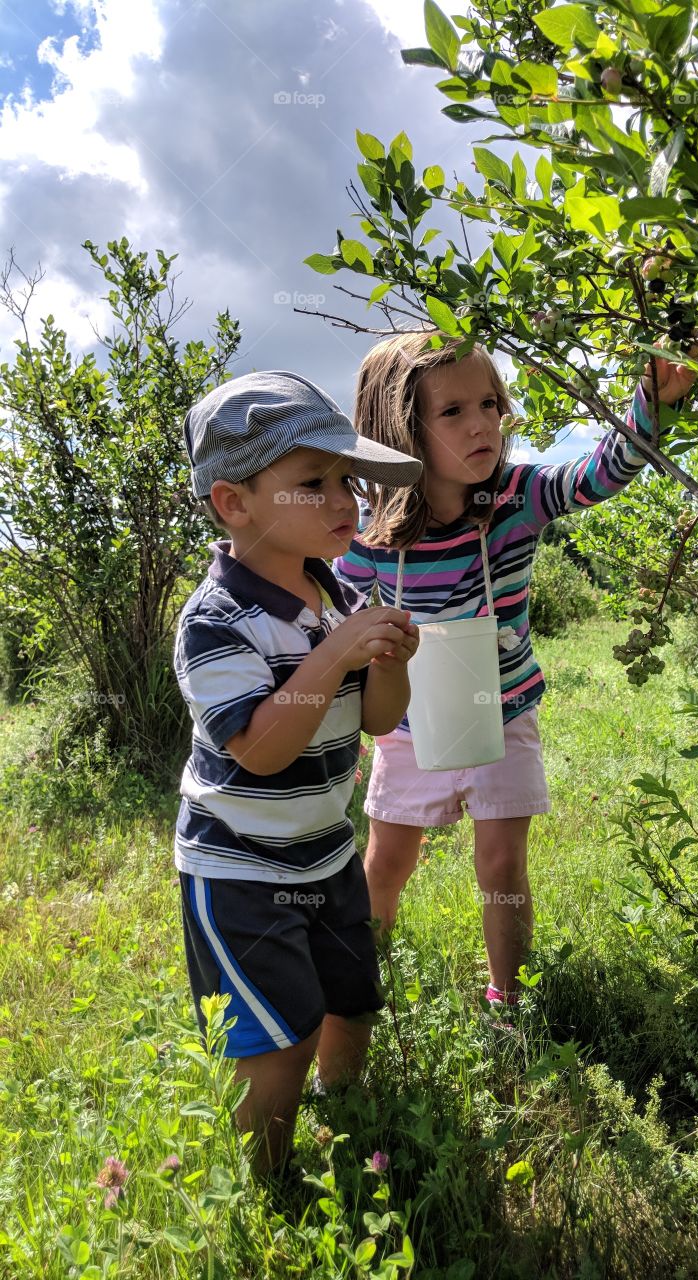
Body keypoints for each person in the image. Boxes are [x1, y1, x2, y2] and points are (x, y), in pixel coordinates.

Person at [333, 332, 696, 1013]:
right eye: (453, 412)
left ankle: (510, 1004)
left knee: (502, 865)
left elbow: (600, 473)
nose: (482, 425)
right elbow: (335, 618)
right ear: (399, 426)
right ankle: (357, 985)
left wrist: (649, 403)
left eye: (491, 404)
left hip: (503, 711)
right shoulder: (370, 535)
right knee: (387, 862)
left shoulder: (518, 497)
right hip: (410, 725)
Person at [174, 370, 421, 1180]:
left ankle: (347, 1122)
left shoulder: (336, 591)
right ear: (234, 505)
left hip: (325, 850)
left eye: (346, 480)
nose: (345, 499)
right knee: (279, 1035)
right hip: (239, 864)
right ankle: (271, 1181)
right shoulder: (215, 622)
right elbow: (261, 749)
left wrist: (387, 658)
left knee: (352, 1000)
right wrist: (339, 651)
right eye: (312, 482)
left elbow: (380, 720)